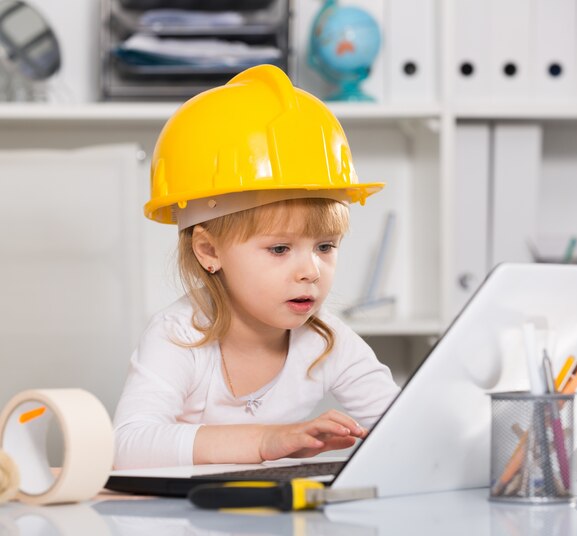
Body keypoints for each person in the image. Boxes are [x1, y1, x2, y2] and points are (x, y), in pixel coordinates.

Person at [113, 64, 400, 469]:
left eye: (325, 246)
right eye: (280, 248)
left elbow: (404, 429)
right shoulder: (179, 337)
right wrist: (267, 440)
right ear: (209, 251)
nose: (311, 271)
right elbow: (128, 444)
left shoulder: (328, 341)